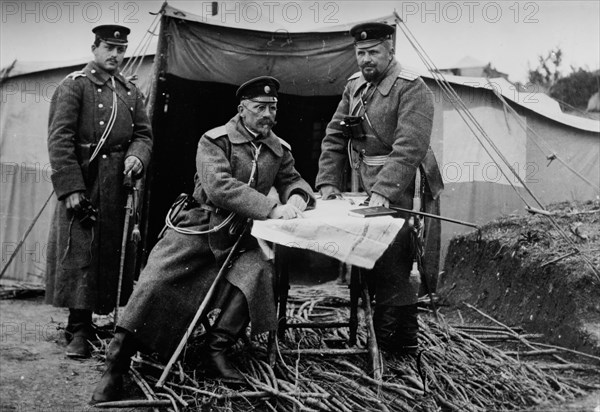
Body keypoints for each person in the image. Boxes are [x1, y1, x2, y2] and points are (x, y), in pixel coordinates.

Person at [91, 76, 315, 403]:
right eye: (260, 108)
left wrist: (295, 199)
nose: (268, 114)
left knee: (258, 271)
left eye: (273, 108)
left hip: (239, 234)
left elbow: (294, 181)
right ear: (241, 109)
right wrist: (271, 208)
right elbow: (219, 188)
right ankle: (116, 365)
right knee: (155, 282)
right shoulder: (214, 141)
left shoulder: (278, 148)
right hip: (199, 226)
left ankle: (217, 351)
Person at [316, 22, 444, 356]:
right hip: (367, 186)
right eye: (361, 53)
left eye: (373, 52)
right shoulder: (354, 87)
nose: (366, 60)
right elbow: (334, 137)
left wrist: (385, 190)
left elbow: (410, 147)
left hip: (406, 185)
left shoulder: (412, 88)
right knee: (370, 257)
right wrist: (329, 182)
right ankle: (387, 340)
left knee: (398, 261)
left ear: (390, 50)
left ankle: (396, 344)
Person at [45, 24, 153, 359]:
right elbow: (59, 139)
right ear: (95, 48)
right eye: (109, 48)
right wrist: (71, 188)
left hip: (117, 187)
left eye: (121, 50)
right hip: (85, 181)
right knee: (81, 252)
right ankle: (78, 327)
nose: (116, 55)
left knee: (107, 253)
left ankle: (91, 319)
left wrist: (136, 155)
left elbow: (144, 134)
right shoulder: (74, 86)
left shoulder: (129, 92)